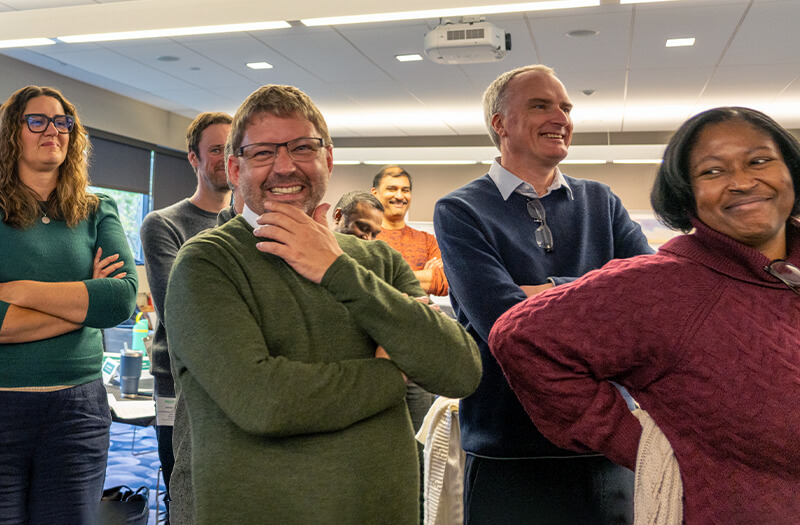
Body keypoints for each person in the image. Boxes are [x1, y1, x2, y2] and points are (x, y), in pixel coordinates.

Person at [164, 84, 482, 524]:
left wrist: (336, 268)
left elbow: (460, 369)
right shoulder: (206, 263)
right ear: (235, 168)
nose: (285, 166)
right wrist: (393, 375)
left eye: (302, 148)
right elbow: (264, 401)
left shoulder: (378, 260)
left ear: (328, 159)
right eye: (262, 154)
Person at [490, 106, 800, 524]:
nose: (743, 182)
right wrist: (643, 448)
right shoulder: (665, 285)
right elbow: (521, 336)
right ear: (686, 193)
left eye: (759, 161)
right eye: (712, 172)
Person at [433, 64, 653, 524]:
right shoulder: (459, 211)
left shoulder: (602, 202)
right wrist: (600, 294)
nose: (561, 116)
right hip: (507, 448)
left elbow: (650, 298)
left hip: (608, 442)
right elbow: (502, 322)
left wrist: (543, 291)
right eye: (540, 105)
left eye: (565, 107)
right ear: (500, 123)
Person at [0, 85, 137, 523]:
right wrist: (83, 300)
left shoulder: (98, 209)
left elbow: (119, 301)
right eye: (37, 121)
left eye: (62, 122)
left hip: (79, 412)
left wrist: (18, 291)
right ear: (11, 133)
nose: (52, 131)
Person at [139, 111, 232, 524]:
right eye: (216, 149)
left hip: (239, 386)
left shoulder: (257, 224)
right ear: (193, 159)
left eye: (234, 148)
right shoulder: (164, 224)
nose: (226, 158)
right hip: (177, 386)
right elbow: (180, 308)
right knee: (187, 499)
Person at [372, 165, 448, 296]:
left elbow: (446, 282)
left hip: (419, 316)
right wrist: (425, 276)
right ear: (375, 193)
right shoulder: (364, 238)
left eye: (405, 190)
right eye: (392, 189)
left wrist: (386, 280)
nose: (400, 196)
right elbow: (364, 285)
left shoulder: (427, 240)